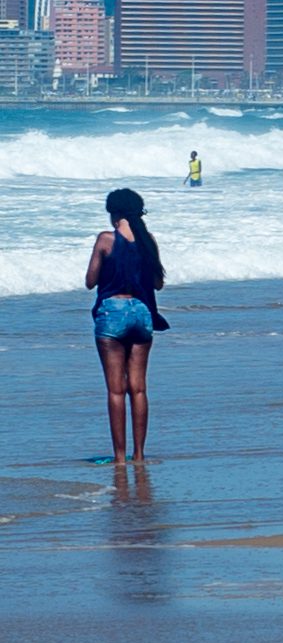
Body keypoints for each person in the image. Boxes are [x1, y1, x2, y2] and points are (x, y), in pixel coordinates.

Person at [85, 189, 169, 464]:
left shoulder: (106, 240)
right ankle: (140, 455)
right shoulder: (148, 241)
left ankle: (120, 458)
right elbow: (157, 284)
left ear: (114, 213)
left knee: (115, 389)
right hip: (142, 311)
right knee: (139, 388)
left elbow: (90, 281)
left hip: (113, 311)